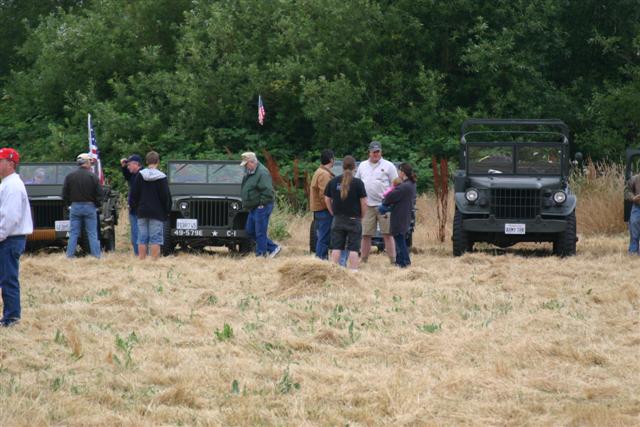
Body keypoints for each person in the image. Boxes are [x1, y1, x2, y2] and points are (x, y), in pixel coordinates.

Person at [0, 148, 33, 327]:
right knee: (6, 277)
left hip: (10, 238)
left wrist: (0, 234)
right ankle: (10, 315)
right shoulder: (8, 183)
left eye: (0, 161)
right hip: (9, 238)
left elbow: (11, 217)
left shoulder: (12, 186)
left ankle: (11, 317)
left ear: (10, 163)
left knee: (8, 278)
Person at [355, 140, 398, 263]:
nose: (376, 154)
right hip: (367, 205)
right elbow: (357, 183)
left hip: (384, 205)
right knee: (365, 235)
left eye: (378, 151)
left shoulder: (389, 166)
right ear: (369, 152)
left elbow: (395, 185)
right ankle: (363, 260)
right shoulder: (362, 165)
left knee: (387, 234)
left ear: (381, 152)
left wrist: (387, 197)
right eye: (373, 152)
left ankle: (393, 260)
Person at [324, 155, 367, 271]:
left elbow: (327, 199)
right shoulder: (358, 183)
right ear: (355, 168)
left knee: (336, 247)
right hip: (354, 219)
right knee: (353, 249)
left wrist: (332, 212)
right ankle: (353, 272)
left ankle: (334, 271)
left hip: (338, 219)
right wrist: (362, 215)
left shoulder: (333, 182)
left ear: (342, 167)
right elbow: (364, 202)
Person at [130, 151, 171, 260]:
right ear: (158, 161)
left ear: (147, 161)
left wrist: (135, 208)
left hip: (142, 211)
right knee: (155, 238)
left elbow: (134, 194)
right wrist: (166, 211)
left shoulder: (140, 175)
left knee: (142, 237)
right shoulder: (162, 177)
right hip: (157, 212)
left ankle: (142, 259)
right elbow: (165, 196)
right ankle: (154, 261)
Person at [240, 152, 281, 257]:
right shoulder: (250, 171)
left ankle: (261, 255)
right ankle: (273, 248)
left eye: (246, 164)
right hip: (254, 207)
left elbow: (267, 191)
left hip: (262, 206)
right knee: (249, 231)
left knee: (260, 232)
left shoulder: (262, 173)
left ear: (252, 162)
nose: (245, 166)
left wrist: (261, 204)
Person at [63, 153, 103, 258]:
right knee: (92, 233)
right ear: (87, 162)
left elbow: (64, 194)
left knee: (73, 233)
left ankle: (69, 255)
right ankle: (96, 256)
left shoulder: (70, 176)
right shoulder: (93, 176)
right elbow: (99, 194)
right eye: (90, 161)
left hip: (75, 207)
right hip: (90, 207)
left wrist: (69, 205)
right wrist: (97, 205)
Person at [382, 163, 417, 267]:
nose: (398, 174)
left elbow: (389, 197)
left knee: (400, 241)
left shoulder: (404, 186)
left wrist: (385, 201)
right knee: (400, 240)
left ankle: (405, 262)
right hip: (404, 215)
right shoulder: (411, 184)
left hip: (399, 216)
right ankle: (400, 262)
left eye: (399, 171)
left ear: (403, 172)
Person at [310, 149, 335, 259]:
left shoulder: (319, 171)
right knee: (324, 237)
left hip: (319, 210)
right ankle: (321, 259)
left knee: (322, 236)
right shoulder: (324, 174)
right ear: (331, 160)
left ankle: (320, 258)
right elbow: (325, 195)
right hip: (324, 210)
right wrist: (331, 209)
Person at [120, 154, 143, 256]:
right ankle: (139, 254)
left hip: (140, 209)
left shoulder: (142, 175)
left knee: (140, 234)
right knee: (136, 234)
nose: (128, 167)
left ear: (136, 164)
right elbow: (127, 176)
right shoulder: (134, 175)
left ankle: (141, 255)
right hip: (135, 209)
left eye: (129, 165)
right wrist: (124, 166)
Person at [624, 172, 640, 254]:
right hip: (637, 207)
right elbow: (626, 191)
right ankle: (633, 250)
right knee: (634, 227)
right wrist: (633, 197)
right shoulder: (635, 179)